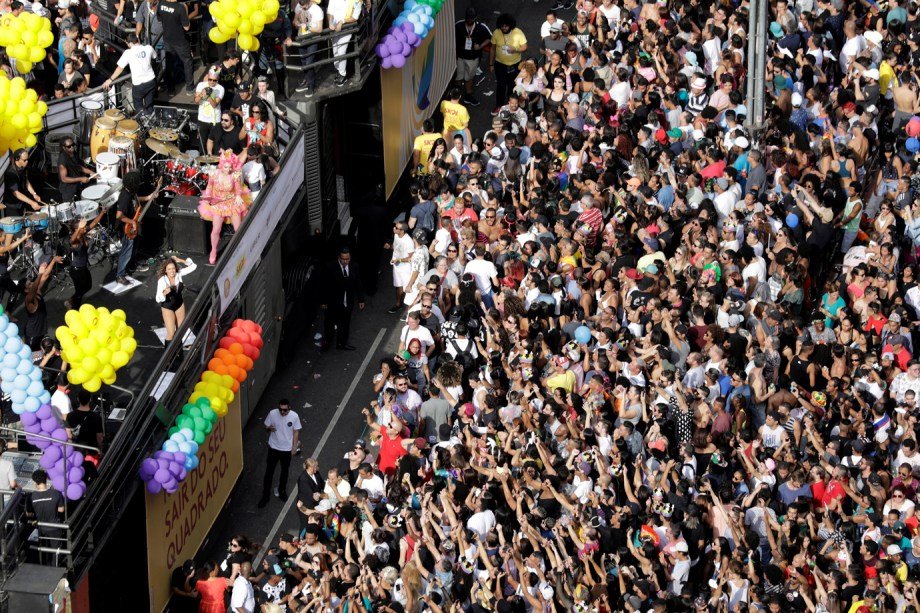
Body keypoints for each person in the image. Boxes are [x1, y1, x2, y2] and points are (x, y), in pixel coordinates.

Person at [197, 150, 252, 265]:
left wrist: (238, 196)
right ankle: (213, 251)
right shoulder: (214, 174)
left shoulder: (234, 175)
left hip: (232, 203)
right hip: (218, 204)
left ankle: (241, 250)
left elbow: (238, 189)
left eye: (230, 167)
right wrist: (208, 197)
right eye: (226, 167)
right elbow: (209, 188)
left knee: (238, 229)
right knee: (216, 229)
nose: (228, 169)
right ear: (222, 165)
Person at [113, 171, 159, 284]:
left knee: (134, 247)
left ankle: (131, 265)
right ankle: (120, 275)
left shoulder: (132, 192)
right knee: (126, 251)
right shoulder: (124, 196)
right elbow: (119, 215)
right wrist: (132, 222)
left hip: (134, 226)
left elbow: (137, 199)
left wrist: (149, 197)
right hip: (127, 228)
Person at [319, 246, 364, 351]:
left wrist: (361, 299)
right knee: (329, 324)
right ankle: (327, 342)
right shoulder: (330, 267)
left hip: (347, 302)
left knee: (345, 324)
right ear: (339, 257)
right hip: (332, 303)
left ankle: (342, 343)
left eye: (347, 259)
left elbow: (358, 283)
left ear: (350, 257)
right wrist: (323, 301)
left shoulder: (354, 266)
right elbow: (323, 285)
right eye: (343, 259)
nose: (345, 261)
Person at [258, 399, 301, 508]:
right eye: (280, 409)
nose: (282, 412)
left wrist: (294, 447)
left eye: (285, 410)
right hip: (273, 448)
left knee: (284, 471)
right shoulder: (273, 414)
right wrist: (269, 428)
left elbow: (296, 432)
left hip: (286, 449)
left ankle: (282, 491)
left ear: (289, 408)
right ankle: (265, 495)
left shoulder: (294, 416)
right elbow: (266, 426)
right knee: (269, 473)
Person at [103, 33, 157, 115]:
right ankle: (152, 120)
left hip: (139, 85)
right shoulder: (148, 48)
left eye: (127, 43)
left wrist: (110, 80)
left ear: (129, 43)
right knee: (149, 105)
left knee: (138, 106)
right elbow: (154, 57)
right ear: (138, 40)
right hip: (151, 81)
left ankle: (145, 120)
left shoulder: (128, 53)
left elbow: (120, 68)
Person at [489, 14, 527, 114]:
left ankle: (511, 105)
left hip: (515, 64)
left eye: (506, 26)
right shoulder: (496, 32)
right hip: (500, 64)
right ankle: (499, 105)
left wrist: (515, 49)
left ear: (510, 25)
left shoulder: (518, 32)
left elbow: (524, 47)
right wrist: (491, 64)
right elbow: (492, 48)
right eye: (502, 26)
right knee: (501, 85)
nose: (504, 28)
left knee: (512, 85)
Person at [67, 213, 105, 310]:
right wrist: (80, 228)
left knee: (88, 286)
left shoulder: (82, 233)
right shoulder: (75, 241)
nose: (85, 229)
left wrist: (103, 212)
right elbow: (71, 241)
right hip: (76, 271)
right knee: (79, 293)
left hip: (83, 268)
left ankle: (72, 300)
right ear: (77, 229)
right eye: (82, 228)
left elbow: (95, 223)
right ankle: (74, 309)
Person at [24, 255, 63, 350]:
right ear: (26, 290)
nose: (32, 283)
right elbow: (33, 289)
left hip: (40, 330)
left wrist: (53, 260)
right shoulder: (29, 301)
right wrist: (39, 274)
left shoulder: (37, 290)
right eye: (29, 284)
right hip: (33, 335)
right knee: (33, 355)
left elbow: (45, 275)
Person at [454, 7, 491, 107]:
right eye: (468, 19)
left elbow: (490, 38)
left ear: (475, 18)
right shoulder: (459, 25)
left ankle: (468, 96)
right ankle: (455, 96)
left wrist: (480, 46)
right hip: (460, 56)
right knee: (459, 76)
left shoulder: (481, 27)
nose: (469, 21)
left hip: (473, 58)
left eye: (472, 19)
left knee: (469, 78)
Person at [156, 0, 195, 93]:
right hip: (180, 40)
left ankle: (170, 88)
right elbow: (186, 27)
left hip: (167, 38)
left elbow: (159, 19)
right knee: (188, 62)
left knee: (169, 63)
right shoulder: (180, 7)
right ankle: (189, 88)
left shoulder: (161, 4)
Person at [155, 255, 192, 345]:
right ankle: (169, 357)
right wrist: (164, 293)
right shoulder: (162, 281)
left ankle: (179, 353)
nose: (172, 271)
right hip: (168, 306)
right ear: (165, 271)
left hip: (179, 304)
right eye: (169, 269)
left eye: (173, 268)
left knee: (180, 332)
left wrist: (180, 260)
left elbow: (193, 266)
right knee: (171, 333)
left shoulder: (179, 274)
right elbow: (157, 298)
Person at [326, 0, 362, 87]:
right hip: (334, 28)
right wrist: (330, 22)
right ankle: (338, 70)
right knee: (335, 50)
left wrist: (342, 21)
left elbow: (355, 17)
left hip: (347, 28)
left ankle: (343, 74)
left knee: (341, 51)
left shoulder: (357, 1)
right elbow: (330, 11)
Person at [293, 0, 324, 97]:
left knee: (309, 62)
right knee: (303, 61)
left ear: (309, 2)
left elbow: (319, 29)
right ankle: (307, 80)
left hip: (312, 38)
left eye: (304, 7)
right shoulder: (299, 6)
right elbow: (294, 21)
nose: (302, 9)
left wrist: (306, 27)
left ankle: (311, 85)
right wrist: (298, 24)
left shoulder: (317, 10)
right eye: (301, 7)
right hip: (301, 37)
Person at [3, 148, 45, 216]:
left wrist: (34, 193)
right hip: (13, 206)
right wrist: (32, 202)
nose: (27, 162)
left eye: (28, 159)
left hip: (21, 203)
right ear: (17, 159)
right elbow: (16, 193)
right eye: (25, 160)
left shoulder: (23, 167)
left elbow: (26, 181)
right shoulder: (10, 173)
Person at [57, 137, 94, 204]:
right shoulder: (62, 160)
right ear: (63, 147)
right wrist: (81, 179)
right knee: (72, 210)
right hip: (68, 191)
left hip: (77, 186)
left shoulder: (73, 153)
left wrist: (91, 173)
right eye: (69, 146)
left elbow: (78, 167)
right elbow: (64, 179)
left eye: (73, 144)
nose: (72, 147)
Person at [196, 68, 225, 151]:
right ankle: (202, 162)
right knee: (202, 143)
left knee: (216, 143)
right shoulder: (201, 85)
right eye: (210, 79)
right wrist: (202, 94)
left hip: (215, 120)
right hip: (202, 119)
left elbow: (215, 104)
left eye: (214, 80)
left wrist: (209, 96)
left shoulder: (220, 88)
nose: (212, 82)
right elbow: (196, 101)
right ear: (207, 78)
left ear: (217, 80)